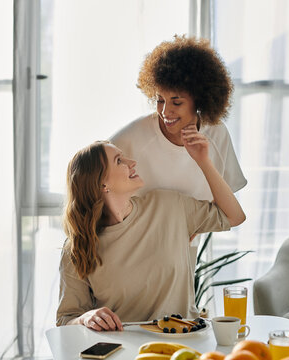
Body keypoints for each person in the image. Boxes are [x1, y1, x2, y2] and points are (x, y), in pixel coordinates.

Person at [57, 124, 245, 331]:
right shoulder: (78, 247)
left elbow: (234, 216)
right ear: (102, 185)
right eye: (119, 161)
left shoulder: (169, 206)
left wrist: (203, 161)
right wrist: (86, 318)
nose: (132, 162)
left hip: (185, 342)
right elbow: (66, 319)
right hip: (122, 348)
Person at [110, 35, 247, 203]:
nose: (165, 111)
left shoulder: (217, 133)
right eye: (160, 100)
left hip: (200, 228)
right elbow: (89, 180)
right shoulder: (133, 137)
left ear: (199, 100)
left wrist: (191, 229)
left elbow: (226, 204)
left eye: (176, 102)